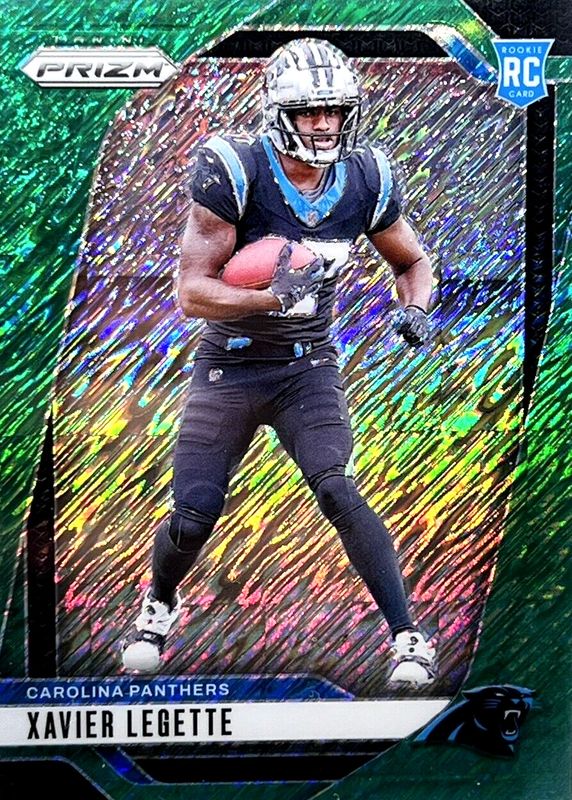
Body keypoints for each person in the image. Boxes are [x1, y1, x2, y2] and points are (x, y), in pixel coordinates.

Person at [121, 37, 437, 685]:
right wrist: (271, 296)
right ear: (279, 112)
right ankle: (159, 603)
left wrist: (416, 308)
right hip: (230, 366)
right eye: (310, 111)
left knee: (336, 485)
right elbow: (191, 293)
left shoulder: (366, 179)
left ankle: (409, 637)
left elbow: (412, 260)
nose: (324, 123)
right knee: (194, 512)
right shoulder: (237, 170)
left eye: (334, 110)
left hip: (305, 366)